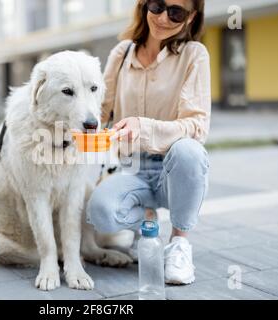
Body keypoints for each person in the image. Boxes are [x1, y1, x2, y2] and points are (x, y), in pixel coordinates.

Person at [86, 0, 210, 285]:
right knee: (100, 211)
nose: (163, 17)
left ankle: (179, 244)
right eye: (157, 5)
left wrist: (143, 127)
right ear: (144, 5)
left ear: (191, 18)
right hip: (130, 167)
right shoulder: (122, 52)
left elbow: (197, 127)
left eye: (176, 12)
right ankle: (148, 225)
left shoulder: (195, 55)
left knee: (189, 149)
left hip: (173, 168)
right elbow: (99, 111)